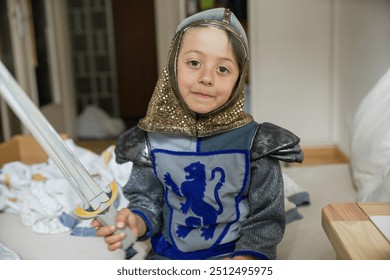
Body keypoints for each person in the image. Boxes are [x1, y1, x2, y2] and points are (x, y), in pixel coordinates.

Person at [92, 8, 303, 260]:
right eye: (194, 63)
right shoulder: (151, 139)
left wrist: (245, 261)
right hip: (168, 256)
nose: (206, 78)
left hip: (233, 257)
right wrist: (134, 222)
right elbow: (148, 203)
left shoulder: (256, 144)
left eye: (223, 69)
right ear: (173, 66)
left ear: (238, 80)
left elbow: (265, 219)